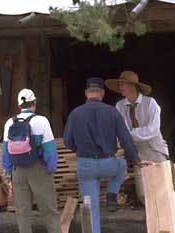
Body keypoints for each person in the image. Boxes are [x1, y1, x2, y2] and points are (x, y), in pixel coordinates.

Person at [63, 77, 150, 233]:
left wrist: (80, 150)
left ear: (86, 93)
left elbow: (68, 142)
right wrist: (136, 160)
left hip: (85, 166)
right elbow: (125, 139)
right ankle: (111, 195)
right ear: (102, 94)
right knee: (122, 164)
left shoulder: (75, 113)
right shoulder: (112, 112)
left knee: (91, 208)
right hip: (108, 164)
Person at [2, 88, 62, 233]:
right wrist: (50, 169)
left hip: (18, 171)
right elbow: (49, 151)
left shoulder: (9, 123)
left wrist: (11, 171)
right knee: (49, 211)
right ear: (33, 103)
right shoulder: (42, 121)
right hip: (39, 169)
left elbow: (5, 153)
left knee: (23, 214)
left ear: (19, 106)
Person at [105, 70, 169, 205]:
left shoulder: (150, 103)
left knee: (163, 187)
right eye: (120, 84)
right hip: (136, 151)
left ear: (133, 86)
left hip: (154, 148)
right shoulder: (120, 106)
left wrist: (128, 134)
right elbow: (118, 129)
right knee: (143, 191)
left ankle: (167, 220)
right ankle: (151, 219)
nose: (120, 87)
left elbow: (153, 129)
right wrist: (125, 136)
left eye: (123, 84)